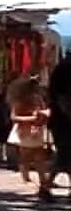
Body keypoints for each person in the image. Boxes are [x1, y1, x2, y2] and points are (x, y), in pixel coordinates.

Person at [6, 76, 50, 185]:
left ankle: (42, 179)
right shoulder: (19, 101)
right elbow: (14, 117)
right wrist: (31, 119)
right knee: (25, 156)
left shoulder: (37, 99)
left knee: (39, 156)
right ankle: (26, 177)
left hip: (36, 129)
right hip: (24, 130)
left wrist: (42, 116)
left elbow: (42, 110)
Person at [43, 56, 71, 199]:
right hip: (63, 119)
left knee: (64, 155)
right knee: (64, 154)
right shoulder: (66, 68)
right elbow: (61, 97)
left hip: (61, 118)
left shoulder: (63, 66)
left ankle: (46, 186)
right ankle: (45, 186)